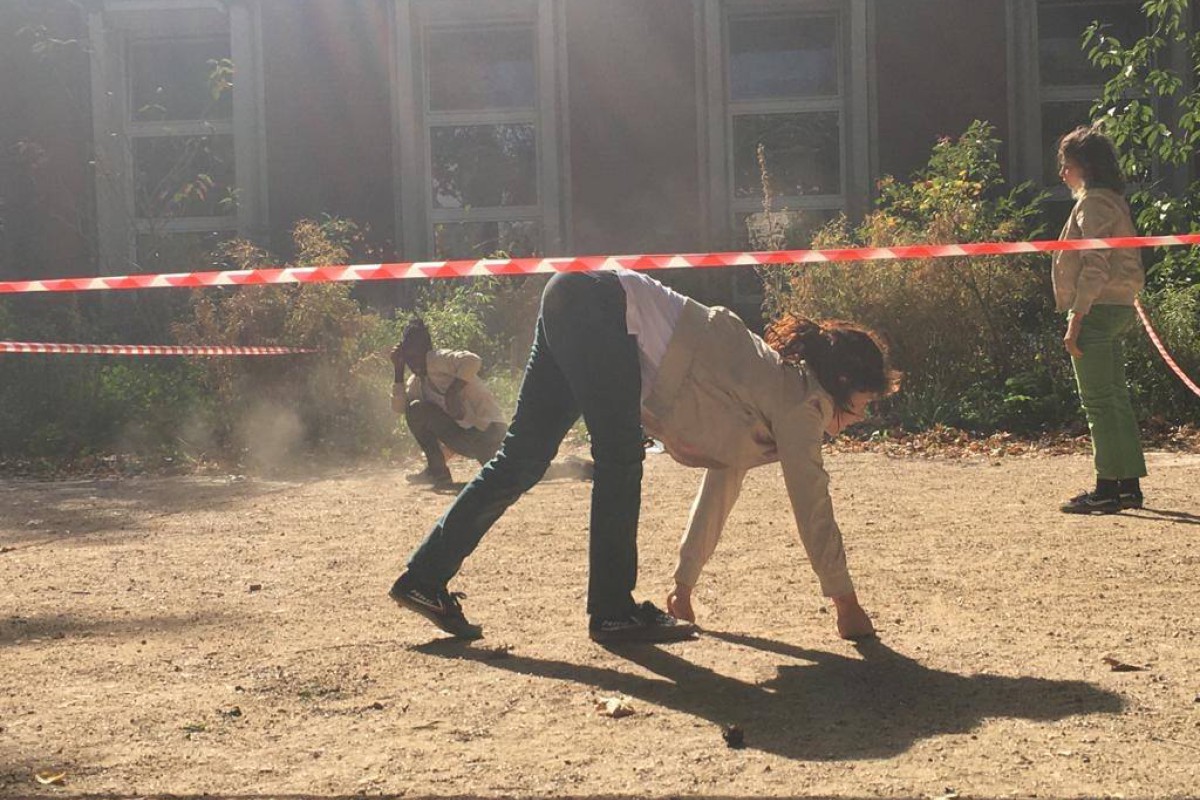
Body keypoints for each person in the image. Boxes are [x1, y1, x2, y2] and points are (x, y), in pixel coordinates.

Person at [389, 269, 898, 643]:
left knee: (521, 458)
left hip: (573, 297)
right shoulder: (800, 404)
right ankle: (613, 611)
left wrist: (683, 586)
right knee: (619, 456)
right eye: (866, 402)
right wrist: (846, 603)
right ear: (843, 382)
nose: (863, 416)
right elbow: (812, 503)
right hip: (601, 307)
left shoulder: (777, 396)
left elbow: (723, 477)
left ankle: (424, 578)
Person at [1052, 125, 1147, 514]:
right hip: (1117, 306)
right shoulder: (1112, 201)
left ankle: (1107, 488)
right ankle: (1127, 486)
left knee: (1098, 402)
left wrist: (1076, 318)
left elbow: (1095, 265)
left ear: (1085, 167)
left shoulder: (1092, 204)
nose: (1063, 173)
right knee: (1115, 398)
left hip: (1097, 309)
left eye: (1067, 165)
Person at [392, 318, 508, 490]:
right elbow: (400, 409)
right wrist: (398, 370)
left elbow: (472, 360)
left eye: (415, 355)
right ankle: (437, 471)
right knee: (415, 410)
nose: (412, 362)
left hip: (489, 433)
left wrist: (452, 392)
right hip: (467, 440)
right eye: (408, 358)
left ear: (425, 351)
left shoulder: (438, 359)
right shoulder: (417, 381)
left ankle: (538, 465)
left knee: (506, 475)